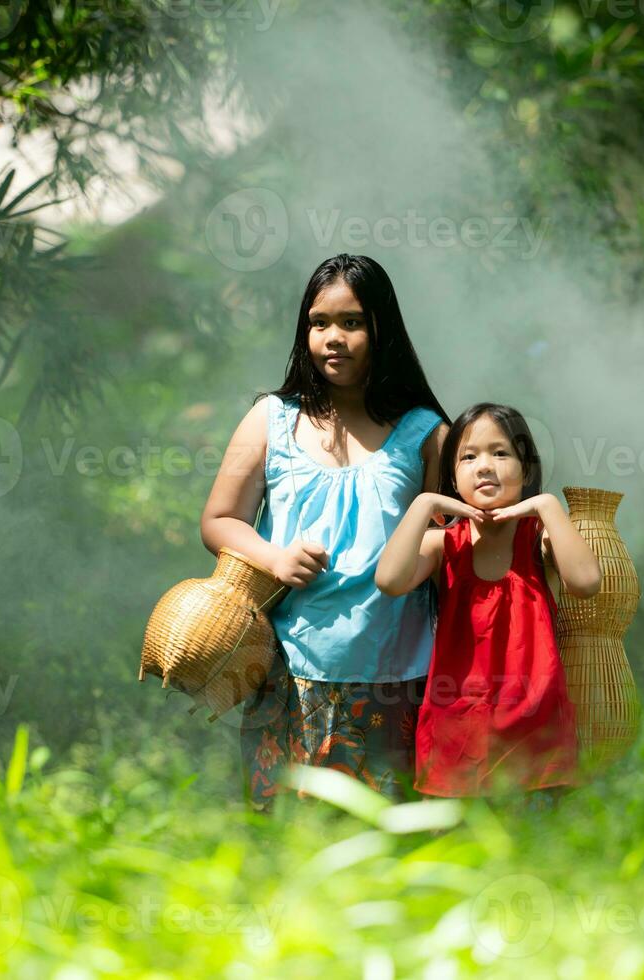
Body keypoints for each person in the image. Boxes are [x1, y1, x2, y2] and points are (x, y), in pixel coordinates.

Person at [200, 253, 450, 811]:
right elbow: (219, 521)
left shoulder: (426, 432)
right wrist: (274, 558)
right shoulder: (270, 419)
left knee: (385, 845)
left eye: (352, 323)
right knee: (286, 839)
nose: (333, 338)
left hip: (397, 676)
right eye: (319, 323)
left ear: (382, 330)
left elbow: (451, 545)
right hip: (287, 668)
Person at [375, 403, 602, 800]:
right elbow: (390, 581)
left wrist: (546, 505)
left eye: (501, 453)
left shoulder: (538, 536)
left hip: (536, 732)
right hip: (458, 731)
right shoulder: (444, 543)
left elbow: (585, 582)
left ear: (526, 469)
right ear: (452, 475)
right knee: (458, 854)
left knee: (536, 854)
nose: (485, 466)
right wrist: (425, 504)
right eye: (469, 456)